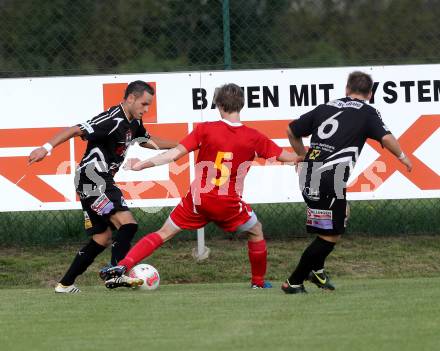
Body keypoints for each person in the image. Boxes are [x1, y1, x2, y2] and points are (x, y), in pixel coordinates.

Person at [101, 83, 303, 289]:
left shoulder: (205, 129)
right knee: (256, 230)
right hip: (227, 203)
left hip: (198, 200)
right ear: (242, 105)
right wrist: (306, 156)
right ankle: (258, 283)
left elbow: (173, 154)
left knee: (163, 232)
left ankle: (122, 266)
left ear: (219, 105)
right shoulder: (254, 137)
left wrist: (141, 165)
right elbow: (287, 157)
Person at [28, 80, 178, 293]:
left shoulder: (133, 122)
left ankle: (65, 284)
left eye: (149, 105)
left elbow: (145, 140)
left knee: (103, 237)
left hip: (94, 182)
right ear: (131, 98)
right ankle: (116, 274)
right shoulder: (112, 119)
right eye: (144, 104)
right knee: (128, 224)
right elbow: (75, 129)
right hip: (94, 179)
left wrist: (180, 146)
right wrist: (46, 148)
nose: (146, 109)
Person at [282, 71, 413, 294]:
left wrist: (303, 154)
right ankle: (294, 281)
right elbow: (387, 138)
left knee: (340, 215)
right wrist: (403, 157)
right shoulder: (368, 112)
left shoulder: (326, 107)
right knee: (330, 235)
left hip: (309, 174)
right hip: (329, 178)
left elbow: (291, 130)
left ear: (346, 90)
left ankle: (318, 272)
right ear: (370, 94)